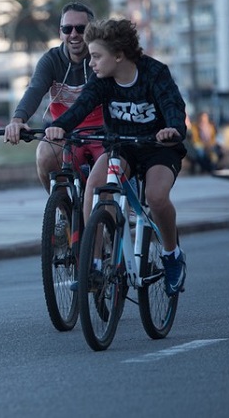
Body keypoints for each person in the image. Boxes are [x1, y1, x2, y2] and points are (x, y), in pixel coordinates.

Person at [45, 18, 188, 296]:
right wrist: (60, 126)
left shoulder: (154, 73)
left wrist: (173, 129)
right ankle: (95, 265)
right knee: (95, 185)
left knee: (157, 197)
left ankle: (172, 255)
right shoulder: (101, 81)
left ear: (119, 55)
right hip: (121, 146)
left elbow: (173, 107)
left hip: (159, 146)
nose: (91, 63)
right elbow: (82, 106)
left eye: (96, 56)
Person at [3, 1, 104, 193]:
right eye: (67, 29)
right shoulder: (51, 61)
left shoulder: (101, 58)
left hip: (103, 133)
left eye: (81, 28)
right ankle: (62, 210)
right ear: (60, 33)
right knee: (44, 155)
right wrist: (17, 120)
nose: (73, 34)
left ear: (92, 32)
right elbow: (34, 90)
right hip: (64, 132)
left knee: (115, 171)